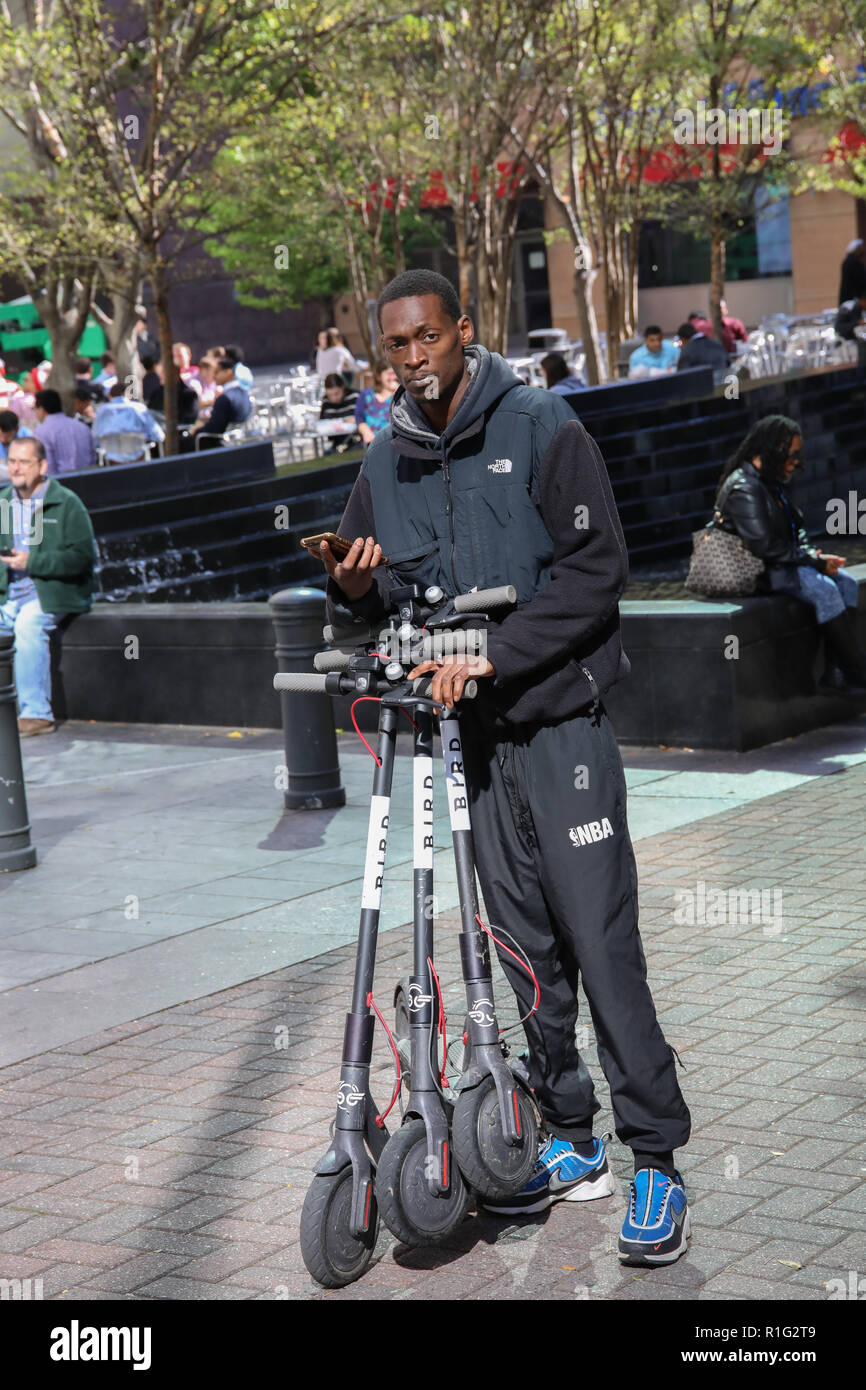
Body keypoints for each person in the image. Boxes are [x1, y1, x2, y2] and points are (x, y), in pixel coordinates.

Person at [318, 268, 692, 1266]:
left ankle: (654, 1156)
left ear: (464, 333)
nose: (411, 361)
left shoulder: (539, 425)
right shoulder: (383, 458)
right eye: (393, 347)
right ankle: (570, 1140)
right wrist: (354, 589)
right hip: (467, 746)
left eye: (426, 340)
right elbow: (389, 593)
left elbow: (593, 574)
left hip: (560, 729)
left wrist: (488, 653)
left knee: (600, 943)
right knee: (525, 959)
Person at [713, 415, 866, 697]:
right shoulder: (744, 488)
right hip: (752, 574)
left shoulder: (771, 483)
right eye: (793, 454)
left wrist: (814, 555)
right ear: (773, 450)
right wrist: (814, 562)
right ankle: (857, 671)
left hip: (777, 566)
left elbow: (796, 533)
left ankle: (836, 674)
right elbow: (763, 548)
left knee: (845, 582)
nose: (798, 462)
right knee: (825, 589)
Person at [0, 435, 96, 736]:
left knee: (28, 625)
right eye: (12, 461)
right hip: (8, 596)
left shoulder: (66, 503)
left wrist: (32, 563)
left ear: (42, 465)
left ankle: (36, 714)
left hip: (48, 594)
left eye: (24, 462)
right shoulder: (4, 502)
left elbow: (82, 558)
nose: (16, 468)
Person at [92, 383, 165, 463]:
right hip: (138, 458)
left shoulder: (101, 411)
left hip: (113, 461)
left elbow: (95, 437)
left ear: (110, 396)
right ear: (129, 395)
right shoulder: (139, 408)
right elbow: (158, 435)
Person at [189, 357, 251, 446]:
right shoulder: (244, 393)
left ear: (228, 372)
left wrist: (197, 430)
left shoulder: (225, 398)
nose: (214, 376)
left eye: (217, 372)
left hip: (219, 443)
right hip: (236, 440)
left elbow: (214, 428)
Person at [33, 389, 96, 474]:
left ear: (41, 409)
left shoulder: (41, 432)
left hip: (60, 482)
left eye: (34, 409)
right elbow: (93, 459)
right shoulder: (82, 427)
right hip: (87, 479)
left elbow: (47, 468)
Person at [354, 359, 398, 445]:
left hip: (396, 442)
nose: (393, 377)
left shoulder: (403, 394)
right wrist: (366, 432)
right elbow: (359, 417)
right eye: (389, 374)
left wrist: (399, 391)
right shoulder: (366, 395)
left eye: (395, 373)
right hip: (373, 443)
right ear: (378, 376)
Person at [145, 360, 200, 427]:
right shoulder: (157, 393)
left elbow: (189, 419)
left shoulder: (190, 395)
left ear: (174, 374)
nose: (160, 376)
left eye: (163, 373)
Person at [318, 373, 360, 454]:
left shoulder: (355, 396)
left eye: (337, 393)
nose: (334, 398)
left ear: (343, 388)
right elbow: (322, 421)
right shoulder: (326, 401)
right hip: (337, 442)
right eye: (330, 395)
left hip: (355, 440)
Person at [0, 410, 34, 483]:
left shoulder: (28, 437)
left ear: (16, 430)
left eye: (7, 437)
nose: (3, 440)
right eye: (1, 436)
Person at [838, 237, 866, 304]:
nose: (863, 249)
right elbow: (861, 280)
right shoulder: (854, 261)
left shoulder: (848, 260)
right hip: (853, 298)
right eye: (861, 247)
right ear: (856, 249)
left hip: (847, 297)